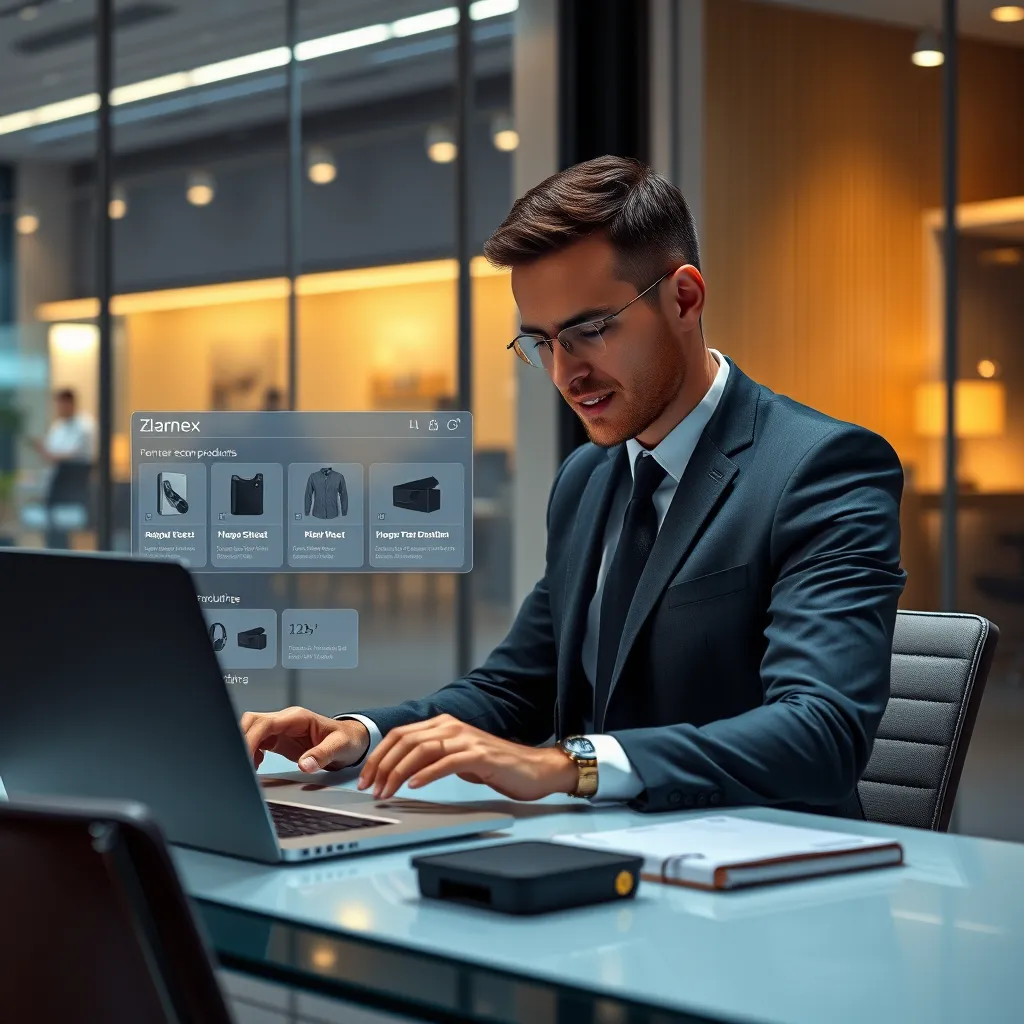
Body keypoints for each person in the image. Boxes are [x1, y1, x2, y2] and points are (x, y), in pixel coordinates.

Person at [242, 156, 906, 817]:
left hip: (766, 877)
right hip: (608, 863)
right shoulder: (588, 477)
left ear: (685, 298)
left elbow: (822, 732)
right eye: (541, 342)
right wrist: (362, 736)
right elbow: (517, 685)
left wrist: (570, 764)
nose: (566, 374)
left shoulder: (823, 466)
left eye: (590, 331)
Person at [31, 388, 94, 549]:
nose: (58, 409)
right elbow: (51, 457)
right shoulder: (57, 427)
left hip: (71, 489)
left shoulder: (85, 426)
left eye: (60, 405)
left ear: (70, 403)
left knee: (56, 522)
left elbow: (75, 455)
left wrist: (49, 454)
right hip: (54, 487)